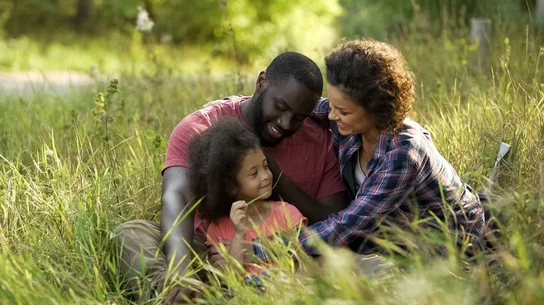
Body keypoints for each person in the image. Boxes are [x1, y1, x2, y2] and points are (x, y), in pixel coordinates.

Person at [113, 52, 349, 303]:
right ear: (262, 82)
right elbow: (177, 196)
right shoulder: (202, 126)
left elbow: (335, 220)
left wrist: (278, 177)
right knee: (132, 234)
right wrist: (180, 269)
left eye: (299, 118)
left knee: (343, 262)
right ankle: (179, 292)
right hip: (211, 253)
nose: (286, 123)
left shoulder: (319, 141)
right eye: (280, 107)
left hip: (285, 258)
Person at [256, 39, 485, 259]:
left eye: (342, 111)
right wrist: (229, 109)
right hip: (390, 228)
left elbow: (347, 226)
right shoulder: (349, 121)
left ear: (375, 109)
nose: (331, 115)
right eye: (333, 105)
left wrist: (265, 249)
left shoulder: (403, 153)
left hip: (450, 241)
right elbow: (300, 107)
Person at [189, 118, 307, 281]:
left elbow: (303, 255)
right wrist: (239, 233)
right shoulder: (220, 229)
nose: (266, 176)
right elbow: (232, 276)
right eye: (253, 173)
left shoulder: (286, 212)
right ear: (231, 186)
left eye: (266, 166)